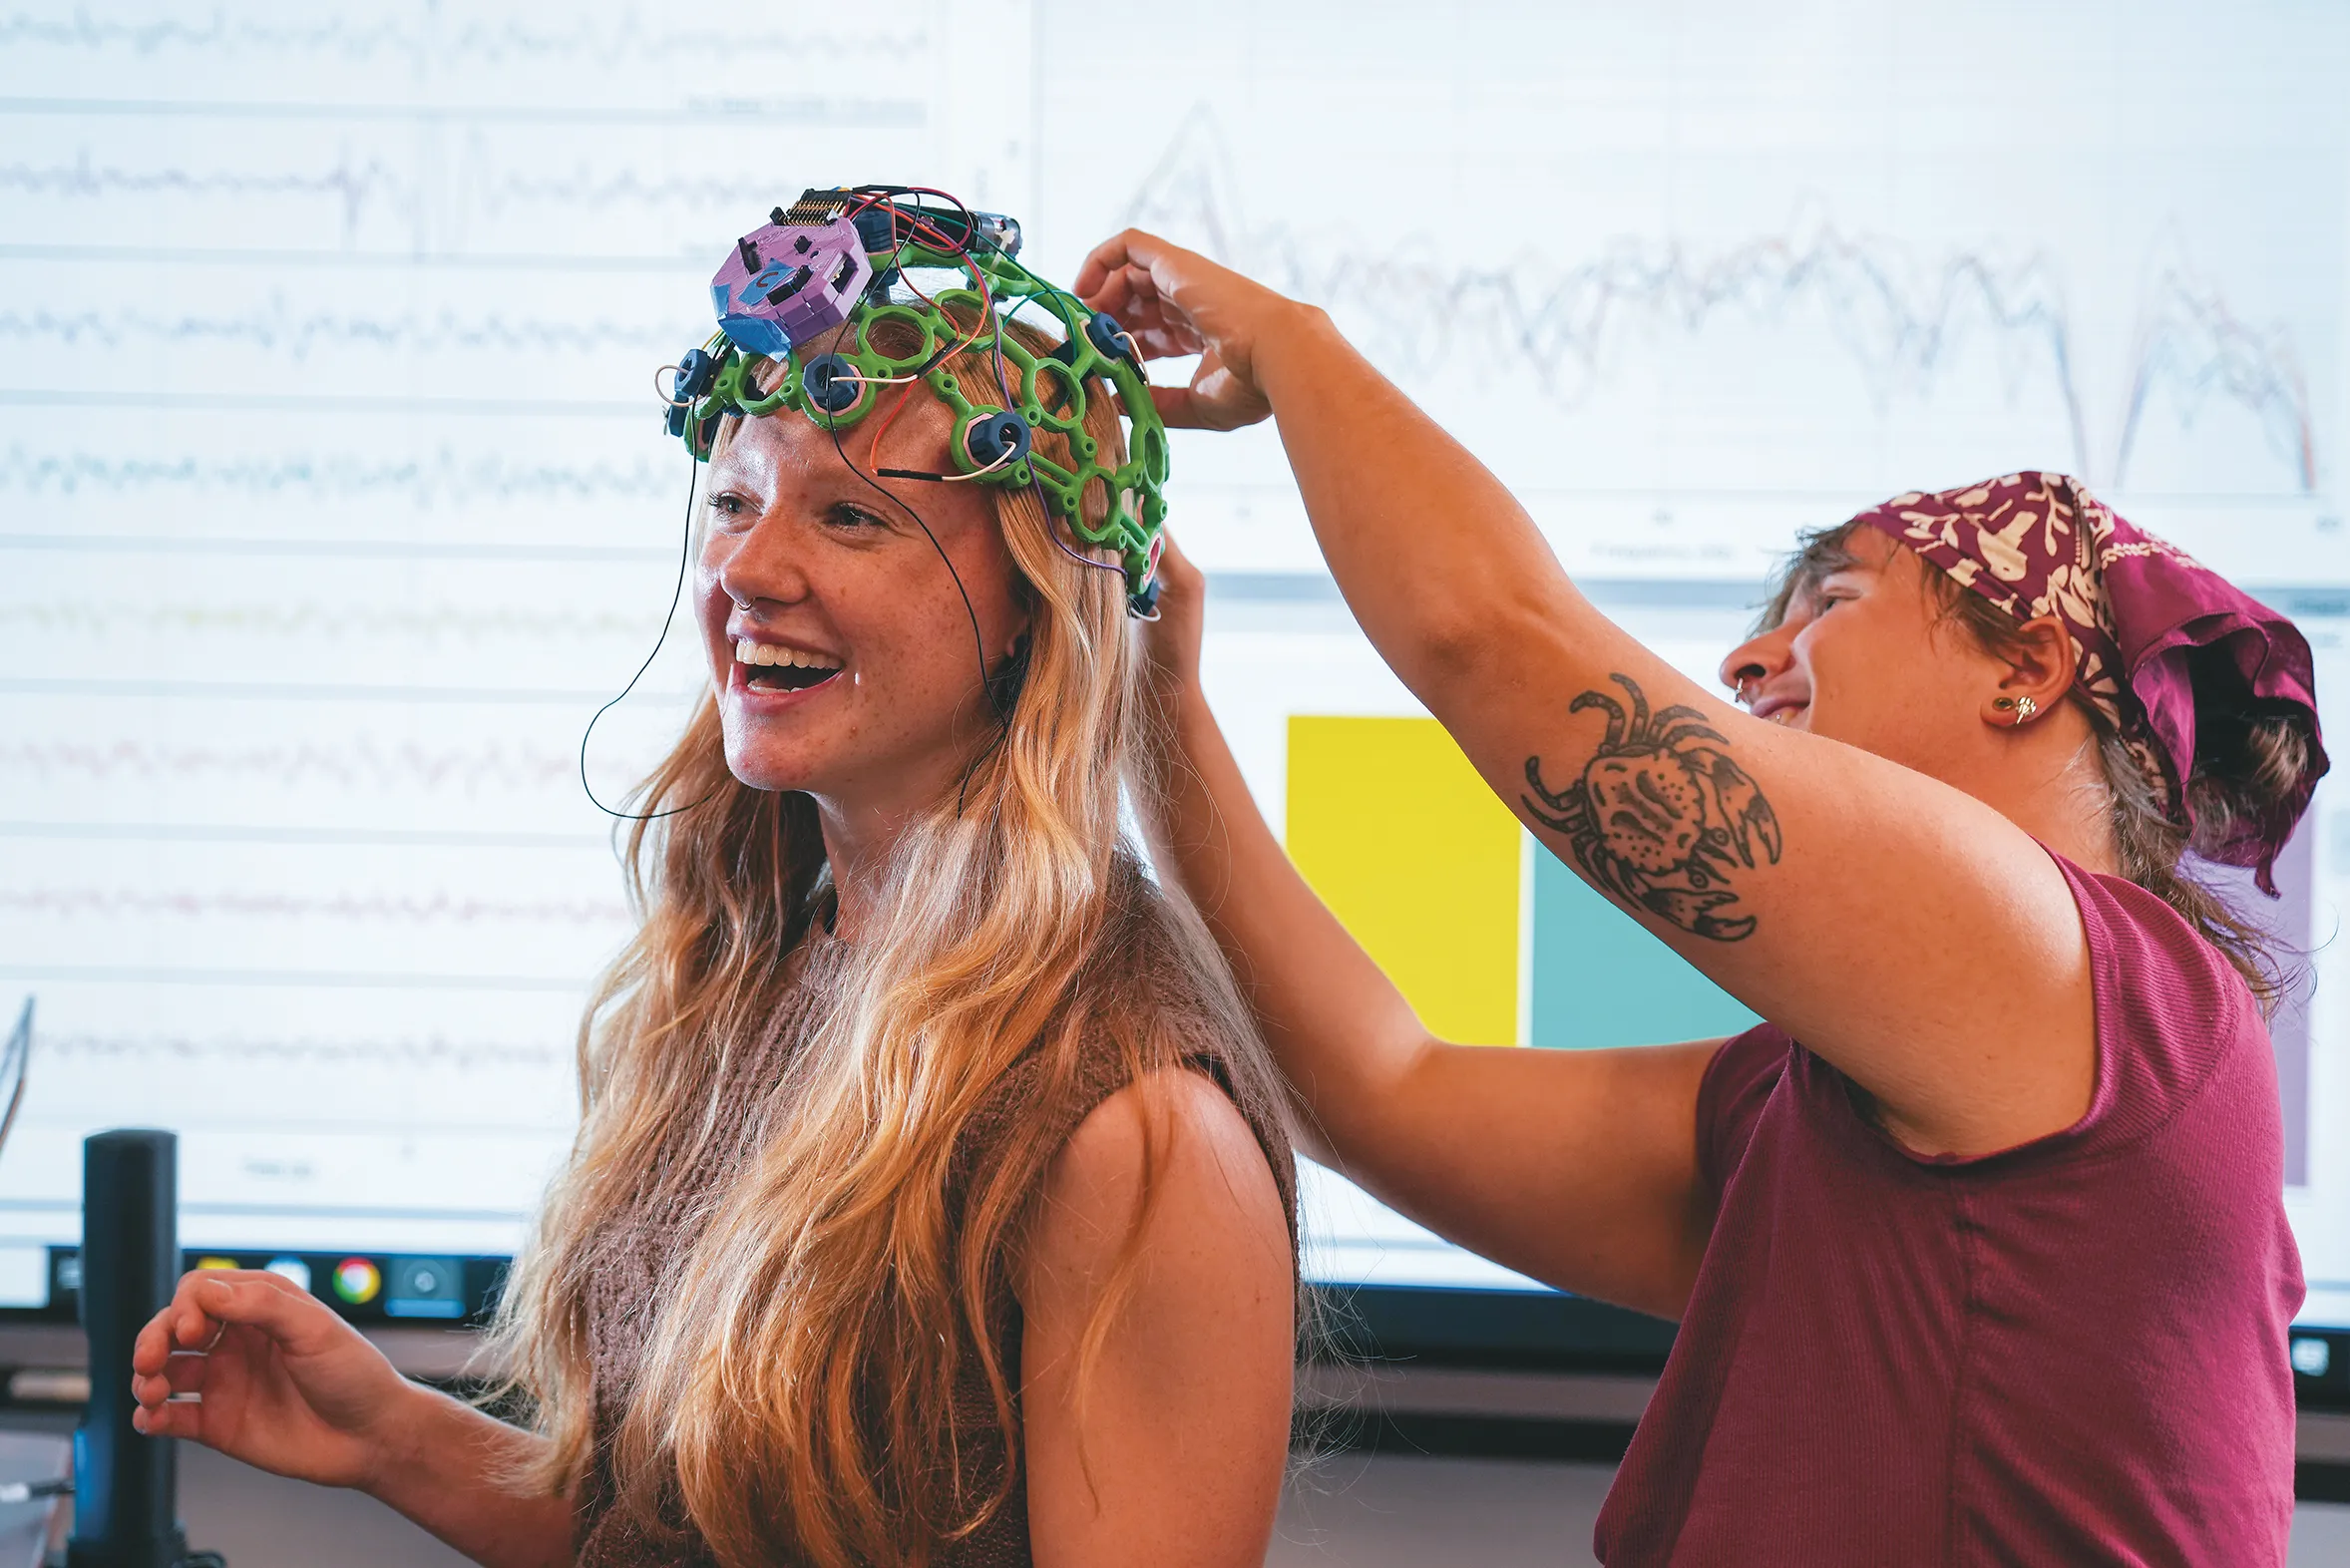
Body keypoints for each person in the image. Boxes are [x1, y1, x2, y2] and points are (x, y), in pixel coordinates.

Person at [1077, 229, 2323, 1564]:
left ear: (2024, 662)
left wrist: (1291, 343)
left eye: (1829, 598)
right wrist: (1158, 695)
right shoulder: (1815, 1100)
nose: (1746, 656)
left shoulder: (2092, 987)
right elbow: (1376, 1089)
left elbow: (1502, 649)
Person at [127, 196, 1300, 1568]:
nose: (747, 567)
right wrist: (393, 1433)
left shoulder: (1134, 1131)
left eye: (853, 516)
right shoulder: (761, 964)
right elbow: (702, 1530)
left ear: (1040, 596)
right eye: (735, 501)